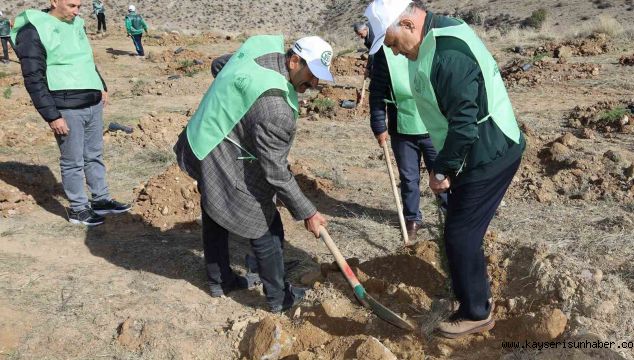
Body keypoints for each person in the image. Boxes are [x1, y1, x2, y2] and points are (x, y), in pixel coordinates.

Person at [365, 0, 526, 338]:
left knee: (459, 235)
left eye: (393, 43)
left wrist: (442, 170)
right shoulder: (435, 33)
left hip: (488, 152)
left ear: (408, 24)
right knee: (461, 230)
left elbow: (465, 128)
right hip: (482, 147)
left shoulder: (447, 57)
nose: (393, 53)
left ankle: (476, 312)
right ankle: (472, 293)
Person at [175, 35, 333, 313]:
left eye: (320, 77)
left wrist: (235, 104)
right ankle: (278, 299)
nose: (315, 84)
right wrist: (307, 212)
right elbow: (275, 171)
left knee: (214, 206)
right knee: (265, 223)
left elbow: (220, 64)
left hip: (203, 136)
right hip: (218, 147)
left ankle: (220, 280)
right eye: (311, 75)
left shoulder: (260, 47)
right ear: (294, 60)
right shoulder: (276, 109)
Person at [12, 0, 131, 226]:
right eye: (71, 5)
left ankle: (101, 200)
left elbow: (85, 59)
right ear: (54, 1)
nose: (77, 11)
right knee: (72, 161)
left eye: (79, 6)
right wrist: (52, 116)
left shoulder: (76, 23)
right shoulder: (33, 30)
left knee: (94, 154)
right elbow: (33, 77)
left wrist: (100, 85)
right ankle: (78, 209)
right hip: (66, 108)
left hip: (92, 101)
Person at [369, 44, 446, 241]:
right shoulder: (383, 54)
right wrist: (379, 126)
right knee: (409, 178)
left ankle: (450, 214)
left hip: (432, 127)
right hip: (402, 128)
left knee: (441, 174)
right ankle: (412, 218)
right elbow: (377, 91)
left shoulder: (431, 45)